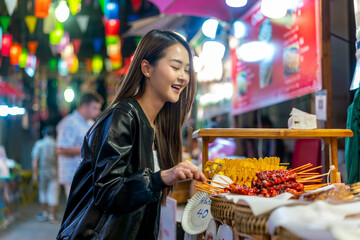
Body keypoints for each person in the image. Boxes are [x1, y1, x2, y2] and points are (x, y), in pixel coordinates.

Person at [57, 30, 206, 240]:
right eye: (175, 67)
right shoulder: (122, 116)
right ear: (147, 68)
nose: (183, 76)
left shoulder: (159, 125)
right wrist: (161, 177)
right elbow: (108, 193)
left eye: (187, 70)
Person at [56, 92, 103, 198]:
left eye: (98, 108)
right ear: (84, 106)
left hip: (88, 174)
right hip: (72, 174)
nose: (98, 111)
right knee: (75, 210)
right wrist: (89, 149)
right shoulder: (69, 122)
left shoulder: (91, 123)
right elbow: (61, 149)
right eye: (94, 108)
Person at [31, 125, 59, 223]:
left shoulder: (39, 144)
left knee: (43, 192)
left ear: (44, 133)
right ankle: (52, 215)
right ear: (53, 134)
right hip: (54, 171)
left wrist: (35, 174)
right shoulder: (56, 144)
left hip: (43, 171)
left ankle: (44, 213)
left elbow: (35, 160)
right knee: (53, 192)